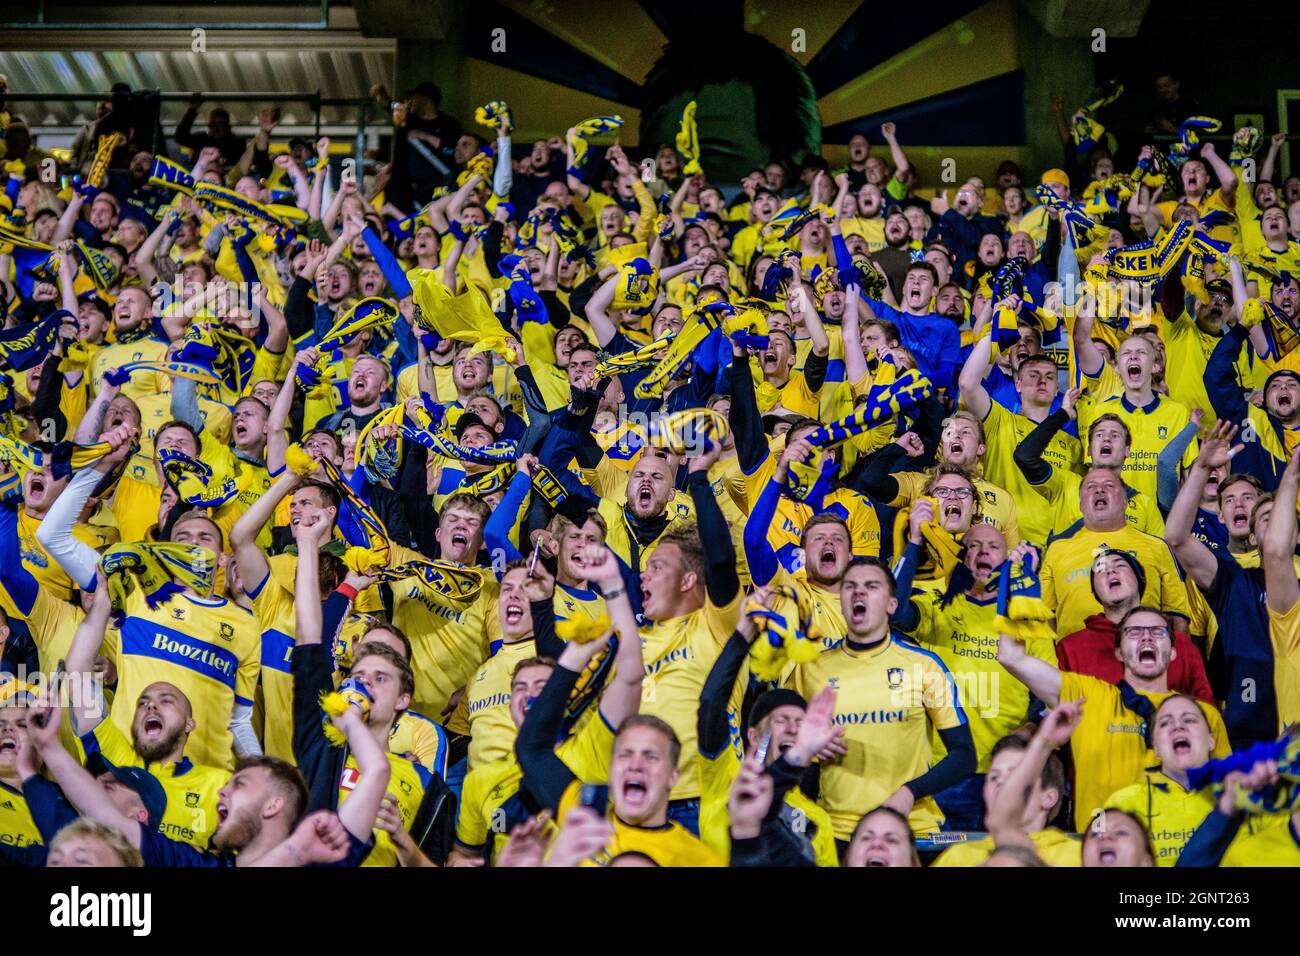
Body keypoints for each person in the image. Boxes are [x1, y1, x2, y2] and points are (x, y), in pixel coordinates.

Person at [784, 558, 975, 844]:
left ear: (892, 605)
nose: (858, 593)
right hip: (836, 833)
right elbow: (788, 754)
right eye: (850, 587)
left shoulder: (924, 666)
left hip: (911, 831)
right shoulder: (810, 669)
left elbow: (964, 755)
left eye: (871, 586)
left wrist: (910, 792)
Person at [998, 605, 1231, 830]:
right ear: (1118, 652)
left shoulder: (1202, 715)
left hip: (1182, 850)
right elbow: (1011, 657)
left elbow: (1228, 795)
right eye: (1134, 632)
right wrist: (1015, 595)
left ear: (1172, 652)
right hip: (1104, 850)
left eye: (1157, 632)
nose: (1146, 638)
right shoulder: (1087, 695)